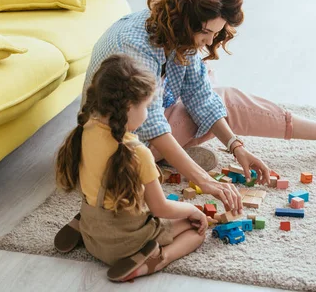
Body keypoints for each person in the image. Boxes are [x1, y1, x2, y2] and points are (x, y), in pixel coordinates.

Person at [54, 0, 316, 250]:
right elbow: (152, 125)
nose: (210, 42)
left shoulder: (176, 34)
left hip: (140, 130)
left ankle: (157, 171)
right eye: (207, 32)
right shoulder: (135, 47)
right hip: (122, 138)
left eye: (215, 33)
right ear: (185, 22)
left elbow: (202, 97)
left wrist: (237, 147)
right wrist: (204, 182)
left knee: (213, 90)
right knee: (227, 100)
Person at [55, 54, 214, 282]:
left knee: (101, 198)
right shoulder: (138, 152)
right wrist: (192, 210)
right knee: (195, 230)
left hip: (94, 234)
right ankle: (156, 259)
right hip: (126, 245)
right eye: (147, 106)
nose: (148, 113)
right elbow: (160, 209)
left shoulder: (85, 129)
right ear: (130, 107)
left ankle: (81, 225)